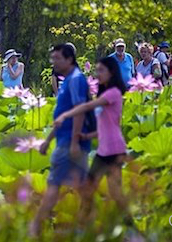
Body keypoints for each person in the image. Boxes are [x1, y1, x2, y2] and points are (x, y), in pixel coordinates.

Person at [53, 57, 129, 223]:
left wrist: (66, 114)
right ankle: (83, 224)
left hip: (114, 151)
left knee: (113, 191)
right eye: (97, 70)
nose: (98, 74)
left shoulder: (113, 93)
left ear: (111, 72)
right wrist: (88, 136)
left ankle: (129, 224)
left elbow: (88, 107)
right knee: (93, 188)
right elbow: (107, 125)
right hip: (105, 150)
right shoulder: (106, 93)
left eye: (101, 70)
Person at [30, 43, 95, 237]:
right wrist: (48, 140)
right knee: (83, 186)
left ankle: (35, 228)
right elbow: (62, 115)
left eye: (57, 58)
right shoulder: (66, 80)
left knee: (54, 184)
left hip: (70, 143)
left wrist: (74, 142)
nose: (53, 62)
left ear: (69, 59)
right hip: (65, 141)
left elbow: (80, 112)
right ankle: (89, 226)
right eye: (53, 58)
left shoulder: (75, 79)